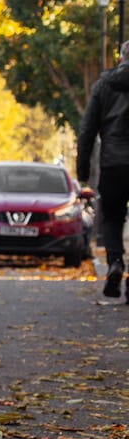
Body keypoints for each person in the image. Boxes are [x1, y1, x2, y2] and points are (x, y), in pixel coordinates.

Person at [77, 40, 129, 301]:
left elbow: (87, 129)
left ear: (120, 58)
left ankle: (115, 262)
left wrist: (82, 169)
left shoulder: (104, 86)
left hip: (113, 163)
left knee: (111, 217)